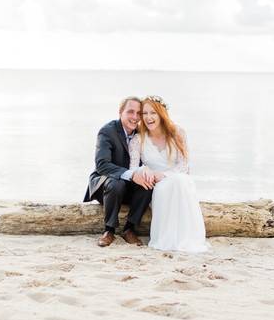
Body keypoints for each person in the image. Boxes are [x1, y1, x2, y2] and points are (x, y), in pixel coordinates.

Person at [128, 96, 209, 253]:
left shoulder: (177, 132)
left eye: (153, 113)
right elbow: (132, 168)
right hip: (157, 186)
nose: (148, 117)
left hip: (177, 178)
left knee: (181, 180)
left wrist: (164, 175)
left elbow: (184, 165)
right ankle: (167, 239)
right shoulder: (138, 140)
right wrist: (144, 169)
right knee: (175, 183)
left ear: (161, 114)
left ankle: (187, 239)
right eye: (144, 113)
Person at [83, 96, 155, 247]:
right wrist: (132, 175)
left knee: (148, 183)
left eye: (138, 113)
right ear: (120, 112)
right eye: (130, 112)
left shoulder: (142, 133)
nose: (135, 117)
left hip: (129, 188)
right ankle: (109, 230)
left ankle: (129, 229)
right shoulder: (107, 131)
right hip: (107, 185)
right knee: (117, 183)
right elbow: (102, 165)